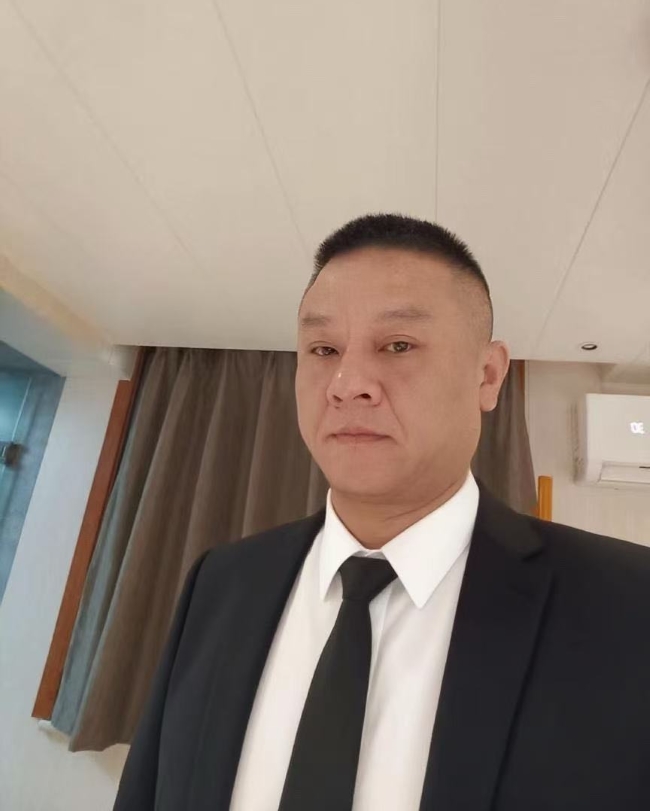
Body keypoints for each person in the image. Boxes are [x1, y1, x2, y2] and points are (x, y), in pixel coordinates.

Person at [113, 214, 650, 811]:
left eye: (397, 345)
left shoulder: (628, 605)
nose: (346, 384)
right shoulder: (220, 583)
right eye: (324, 349)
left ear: (487, 375)